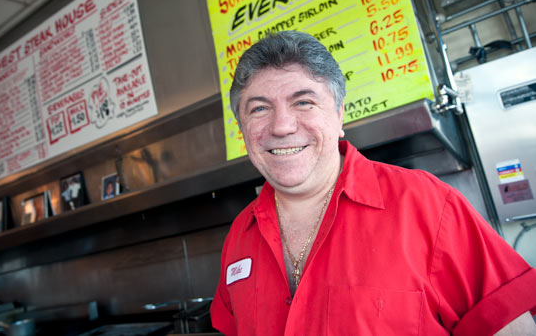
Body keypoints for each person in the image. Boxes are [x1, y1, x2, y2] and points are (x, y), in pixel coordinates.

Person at [210, 31, 536, 335]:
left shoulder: (428, 204)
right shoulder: (239, 234)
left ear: (339, 116)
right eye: (259, 108)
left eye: (303, 102)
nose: (281, 126)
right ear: (243, 131)